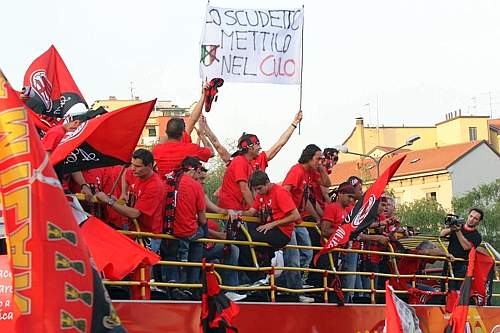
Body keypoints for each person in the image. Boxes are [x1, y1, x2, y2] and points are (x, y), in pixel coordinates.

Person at [240, 171, 314, 303]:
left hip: (282, 231)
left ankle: (262, 279)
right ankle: (263, 278)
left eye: (259, 189)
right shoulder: (261, 194)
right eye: (255, 190)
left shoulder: (280, 192)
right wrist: (237, 213)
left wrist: (273, 224)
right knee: (242, 237)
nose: (258, 192)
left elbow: (296, 216)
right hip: (270, 229)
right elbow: (251, 211)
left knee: (293, 260)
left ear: (267, 183)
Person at [95, 149, 165, 252]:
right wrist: (124, 193)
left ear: (149, 166)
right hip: (135, 230)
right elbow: (125, 175)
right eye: (132, 164)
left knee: (143, 266)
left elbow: (135, 213)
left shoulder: (155, 186)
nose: (133, 169)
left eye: (137, 166)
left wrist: (109, 201)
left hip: (148, 234)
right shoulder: (134, 173)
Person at [282, 144, 331, 274]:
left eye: (322, 159)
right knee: (293, 257)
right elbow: (284, 192)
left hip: (298, 219)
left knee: (307, 253)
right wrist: (291, 211)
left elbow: (327, 183)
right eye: (318, 158)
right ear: (309, 157)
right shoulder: (297, 171)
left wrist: (320, 167)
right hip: (288, 218)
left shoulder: (309, 173)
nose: (320, 162)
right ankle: (292, 286)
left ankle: (285, 282)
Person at [199, 111, 303, 169]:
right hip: (237, 207)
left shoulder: (261, 158)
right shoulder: (234, 161)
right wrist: (205, 126)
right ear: (249, 147)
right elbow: (217, 144)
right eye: (257, 144)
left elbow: (280, 143)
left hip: (256, 205)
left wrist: (294, 123)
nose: (260, 147)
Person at [440, 208, 483, 290]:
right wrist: (451, 229)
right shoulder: (458, 227)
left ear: (478, 222)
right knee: (443, 290)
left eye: (475, 218)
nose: (472, 219)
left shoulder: (477, 236)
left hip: (461, 267)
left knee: (456, 292)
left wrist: (458, 231)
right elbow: (441, 234)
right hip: (448, 264)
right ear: (468, 215)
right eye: (471, 216)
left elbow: (466, 247)